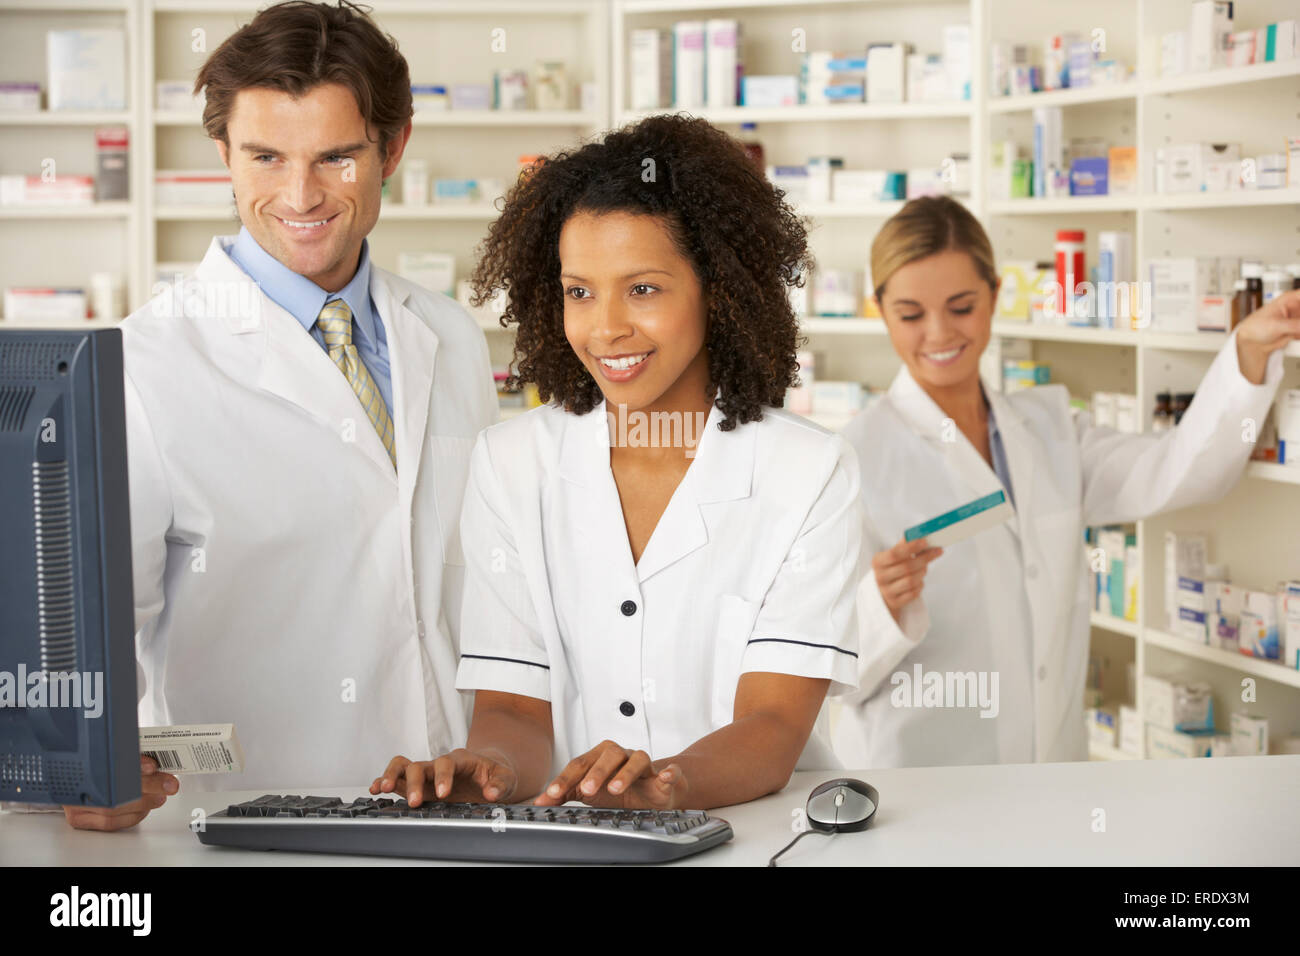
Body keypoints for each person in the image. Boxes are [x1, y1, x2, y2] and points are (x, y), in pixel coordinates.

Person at [62, 0, 496, 830]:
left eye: (337, 156)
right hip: (251, 819)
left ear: (393, 148)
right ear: (222, 153)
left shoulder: (448, 334)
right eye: (265, 156)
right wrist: (85, 774)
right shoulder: (137, 365)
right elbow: (88, 633)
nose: (301, 196)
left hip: (451, 808)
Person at [371, 115, 863, 811]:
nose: (606, 328)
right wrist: (485, 770)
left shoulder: (808, 471)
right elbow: (514, 709)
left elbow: (775, 724)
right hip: (574, 843)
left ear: (717, 288)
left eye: (643, 289)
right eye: (579, 291)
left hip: (759, 838)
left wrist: (666, 784)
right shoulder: (511, 464)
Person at [833, 196, 1300, 769]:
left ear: (995, 296)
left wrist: (1248, 352)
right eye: (910, 314)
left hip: (1052, 774)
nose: (938, 333)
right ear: (879, 309)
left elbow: (1177, 471)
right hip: (919, 787)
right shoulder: (854, 459)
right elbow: (830, 683)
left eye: (961, 306)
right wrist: (878, 605)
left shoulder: (1050, 428)